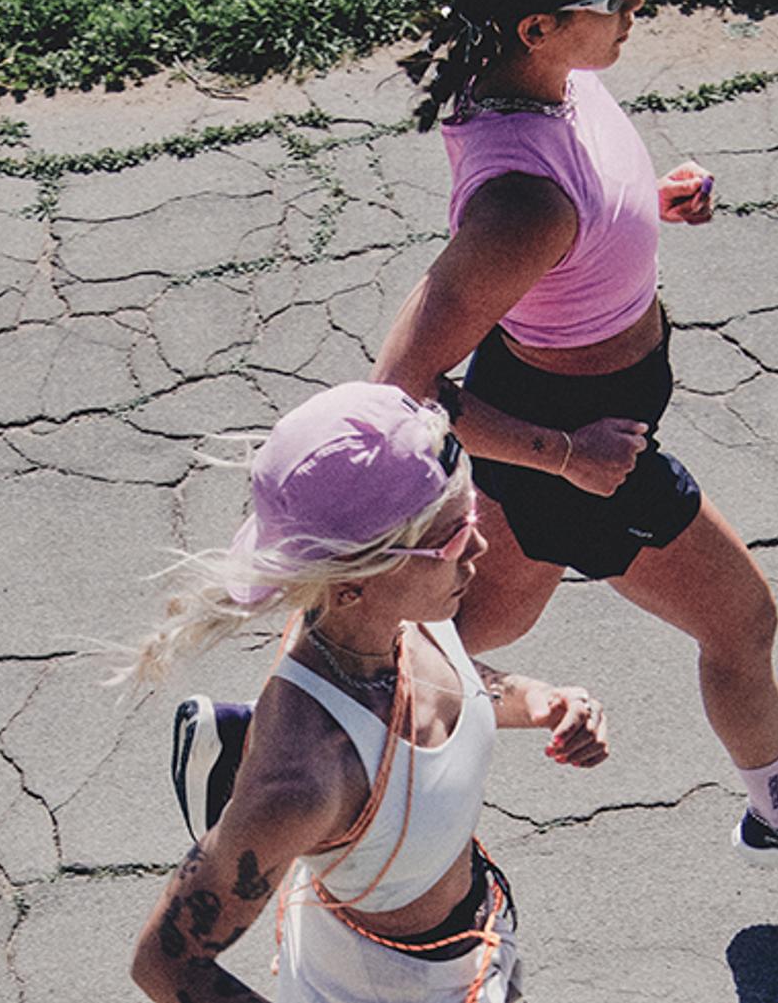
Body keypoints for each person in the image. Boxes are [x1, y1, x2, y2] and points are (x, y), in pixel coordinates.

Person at [374, 0, 778, 869]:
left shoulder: (540, 81)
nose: (638, 2)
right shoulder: (521, 204)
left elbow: (570, 224)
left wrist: (640, 209)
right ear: (539, 23)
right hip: (583, 443)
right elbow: (400, 390)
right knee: (743, 621)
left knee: (471, 624)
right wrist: (566, 456)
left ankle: (311, 708)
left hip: (562, 415)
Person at [127, 382, 610, 1003]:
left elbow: (444, 683)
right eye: (453, 539)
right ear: (354, 582)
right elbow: (163, 967)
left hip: (474, 944)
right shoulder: (304, 783)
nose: (480, 546)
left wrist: (537, 700)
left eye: (470, 514)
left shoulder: (401, 618)